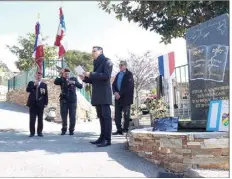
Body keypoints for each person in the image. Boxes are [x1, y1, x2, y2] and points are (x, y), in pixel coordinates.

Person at [80, 46, 113, 147]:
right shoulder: (97, 63)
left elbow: (106, 76)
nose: (92, 53)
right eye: (92, 51)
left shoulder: (107, 61)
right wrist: (85, 78)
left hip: (104, 94)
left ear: (101, 51)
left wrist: (91, 74)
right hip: (98, 94)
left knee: (106, 117)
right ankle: (102, 137)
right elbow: (95, 79)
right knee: (101, 117)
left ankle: (107, 139)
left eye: (94, 51)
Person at [54, 68, 83, 135]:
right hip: (64, 100)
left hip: (72, 100)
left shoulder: (73, 79)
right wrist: (60, 75)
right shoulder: (61, 79)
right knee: (63, 115)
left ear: (69, 73)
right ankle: (64, 129)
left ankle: (71, 130)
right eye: (65, 73)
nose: (67, 75)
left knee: (72, 116)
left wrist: (74, 82)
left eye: (68, 73)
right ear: (63, 74)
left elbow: (80, 86)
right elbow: (55, 82)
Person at [112, 61, 134, 135]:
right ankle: (119, 129)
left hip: (126, 98)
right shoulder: (118, 74)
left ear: (125, 66)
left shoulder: (129, 74)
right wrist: (115, 92)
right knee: (117, 115)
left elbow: (128, 86)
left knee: (126, 115)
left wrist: (119, 94)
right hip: (118, 98)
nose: (120, 66)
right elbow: (113, 84)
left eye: (121, 65)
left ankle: (125, 129)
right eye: (119, 65)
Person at [26, 71, 48, 137]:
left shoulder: (44, 85)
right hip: (32, 103)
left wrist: (46, 103)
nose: (38, 76)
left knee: (40, 119)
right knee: (32, 119)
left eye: (40, 75)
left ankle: (39, 132)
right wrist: (34, 85)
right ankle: (32, 132)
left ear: (41, 77)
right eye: (37, 75)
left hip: (40, 104)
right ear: (35, 76)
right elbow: (28, 90)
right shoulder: (31, 83)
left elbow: (45, 95)